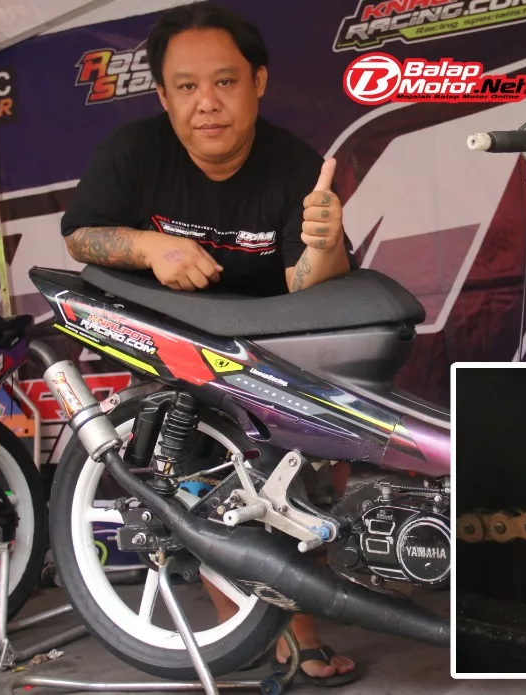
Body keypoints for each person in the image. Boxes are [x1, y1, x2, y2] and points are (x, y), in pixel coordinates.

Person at [59, 1, 358, 685]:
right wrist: (150, 247)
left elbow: (308, 284)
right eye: (186, 86)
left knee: (310, 481)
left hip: (272, 355)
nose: (207, 103)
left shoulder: (294, 164)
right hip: (172, 358)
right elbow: (80, 235)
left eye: (225, 82)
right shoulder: (133, 152)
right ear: (164, 96)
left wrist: (325, 243)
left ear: (258, 82)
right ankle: (275, 633)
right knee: (197, 493)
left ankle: (292, 619)